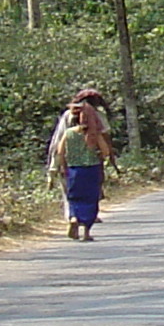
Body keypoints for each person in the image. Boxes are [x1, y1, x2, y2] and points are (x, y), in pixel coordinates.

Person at [47, 86, 116, 240]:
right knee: (91, 199)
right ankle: (86, 232)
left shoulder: (68, 130)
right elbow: (105, 149)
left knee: (73, 197)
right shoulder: (95, 127)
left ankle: (72, 218)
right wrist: (106, 158)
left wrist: (56, 167)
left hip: (72, 169)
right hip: (91, 169)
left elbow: (58, 149)